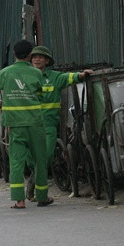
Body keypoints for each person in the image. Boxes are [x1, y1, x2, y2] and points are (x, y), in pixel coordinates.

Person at [0, 39, 52, 209]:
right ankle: (42, 196)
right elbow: (40, 95)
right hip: (35, 122)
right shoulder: (37, 73)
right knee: (40, 159)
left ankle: (19, 200)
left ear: (14, 54)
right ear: (30, 55)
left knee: (16, 161)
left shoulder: (5, 73)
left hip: (14, 123)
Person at [28, 45, 92, 199]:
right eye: (34, 57)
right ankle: (33, 179)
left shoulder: (55, 77)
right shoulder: (26, 77)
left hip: (48, 125)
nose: (37, 59)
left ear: (47, 61)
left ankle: (33, 186)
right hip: (29, 124)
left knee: (47, 157)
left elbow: (69, 78)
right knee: (30, 159)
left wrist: (82, 75)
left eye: (40, 57)